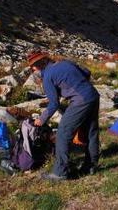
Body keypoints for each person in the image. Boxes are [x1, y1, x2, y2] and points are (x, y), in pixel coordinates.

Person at [27, 50, 100, 181]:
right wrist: (73, 86)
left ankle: (60, 173)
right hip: (93, 96)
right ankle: (90, 166)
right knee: (91, 132)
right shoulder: (65, 62)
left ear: (36, 67)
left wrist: (41, 119)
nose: (33, 71)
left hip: (80, 101)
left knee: (62, 133)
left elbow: (53, 104)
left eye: (32, 68)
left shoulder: (47, 76)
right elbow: (87, 72)